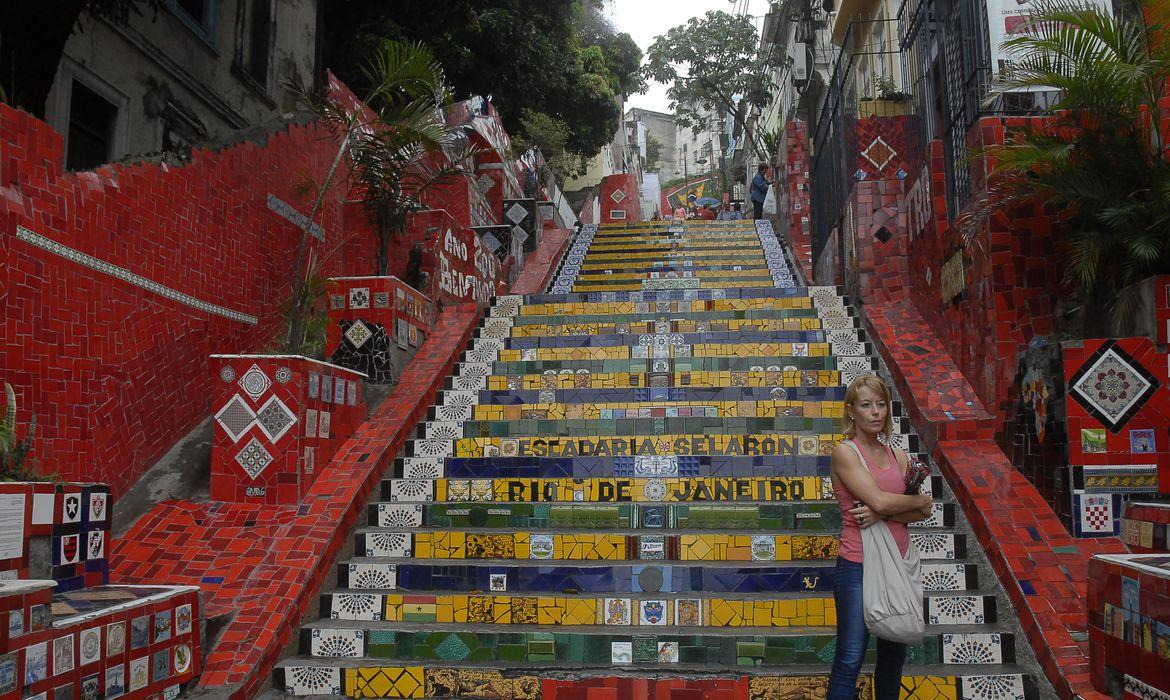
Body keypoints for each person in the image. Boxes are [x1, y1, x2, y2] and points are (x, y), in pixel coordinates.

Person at [827, 374, 933, 700]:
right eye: (866, 405)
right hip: (859, 565)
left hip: (899, 564)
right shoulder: (845, 453)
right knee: (850, 657)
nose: (875, 412)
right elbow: (888, 500)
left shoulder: (898, 456)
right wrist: (894, 505)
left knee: (893, 659)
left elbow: (924, 510)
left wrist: (882, 512)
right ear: (851, 411)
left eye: (881, 405)